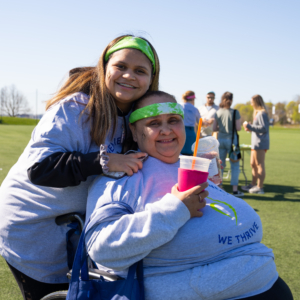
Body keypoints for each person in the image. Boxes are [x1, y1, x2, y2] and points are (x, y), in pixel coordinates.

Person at [85, 91, 293, 300]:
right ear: (135, 131)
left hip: (264, 279)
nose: (166, 130)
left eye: (173, 120)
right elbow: (102, 249)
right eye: (154, 123)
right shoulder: (122, 176)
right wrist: (175, 209)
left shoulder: (193, 164)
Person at [0, 35, 161, 300]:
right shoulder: (75, 107)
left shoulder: (137, 115)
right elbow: (40, 168)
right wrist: (104, 161)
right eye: (121, 66)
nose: (129, 75)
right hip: (30, 226)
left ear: (151, 79)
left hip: (74, 228)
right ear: (105, 67)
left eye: (140, 71)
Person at [213, 92, 244, 197]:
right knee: (235, 165)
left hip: (220, 140)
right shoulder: (235, 112)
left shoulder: (218, 112)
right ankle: (235, 189)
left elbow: (214, 128)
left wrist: (222, 128)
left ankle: (219, 186)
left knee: (220, 165)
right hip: (232, 141)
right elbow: (238, 128)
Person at [242, 94, 270, 194]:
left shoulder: (262, 113)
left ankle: (260, 187)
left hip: (260, 143)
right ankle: (253, 184)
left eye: (252, 101)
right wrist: (250, 128)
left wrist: (250, 126)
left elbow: (264, 128)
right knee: (253, 164)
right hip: (255, 143)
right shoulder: (257, 113)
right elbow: (257, 128)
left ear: (256, 102)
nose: (250, 103)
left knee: (259, 164)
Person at [180, 90, 200, 155]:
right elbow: (200, 122)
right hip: (191, 132)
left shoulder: (180, 107)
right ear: (193, 99)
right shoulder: (195, 109)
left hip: (180, 131)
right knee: (191, 154)